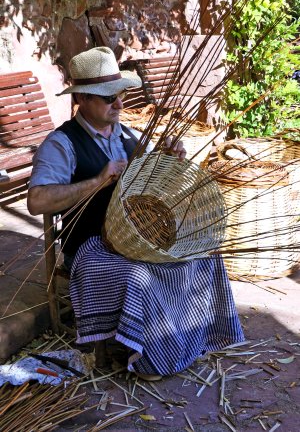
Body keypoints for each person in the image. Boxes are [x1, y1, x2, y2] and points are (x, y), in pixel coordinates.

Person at [28, 46, 244, 380]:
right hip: (92, 247)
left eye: (120, 94)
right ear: (82, 99)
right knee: (140, 275)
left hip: (138, 238)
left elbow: (156, 179)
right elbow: (37, 202)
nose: (119, 104)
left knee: (204, 253)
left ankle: (193, 337)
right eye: (108, 97)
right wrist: (98, 181)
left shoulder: (128, 135)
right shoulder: (61, 144)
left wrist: (173, 157)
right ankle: (150, 358)